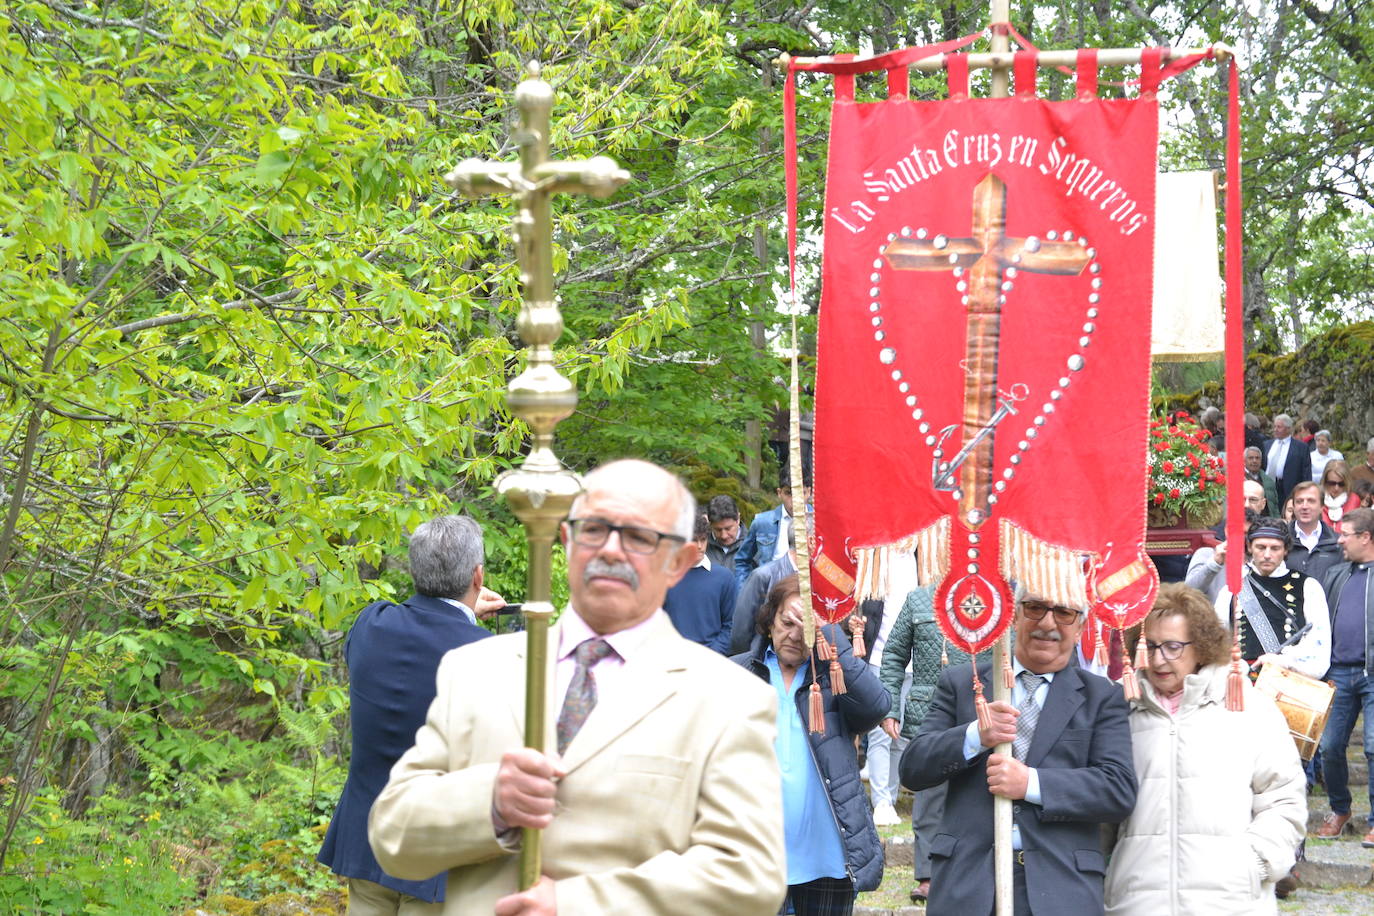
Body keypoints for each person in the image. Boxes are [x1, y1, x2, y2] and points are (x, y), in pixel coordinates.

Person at [368, 459, 787, 915]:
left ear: (681, 562)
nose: (610, 550)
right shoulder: (475, 669)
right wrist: (489, 802)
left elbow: (749, 876)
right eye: (593, 529)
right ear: (566, 541)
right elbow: (393, 835)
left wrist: (575, 905)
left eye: (639, 537)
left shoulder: (729, 698)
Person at [899, 589, 1137, 915]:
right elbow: (913, 768)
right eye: (1035, 608)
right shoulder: (963, 684)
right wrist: (974, 736)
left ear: (1081, 627)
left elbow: (1117, 790)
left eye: (1064, 613)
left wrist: (1031, 784)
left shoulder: (1102, 698)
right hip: (967, 887)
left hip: (1060, 889)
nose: (1047, 623)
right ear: (1014, 615)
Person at [317, 515, 505, 915]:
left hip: (367, 839)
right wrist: (468, 618)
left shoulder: (372, 624)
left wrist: (464, 612)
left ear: (416, 569)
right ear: (478, 576)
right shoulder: (487, 656)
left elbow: (419, 635)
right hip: (436, 856)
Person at [1103, 584, 1306, 915]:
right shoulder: (1121, 712)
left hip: (1229, 902)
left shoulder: (1248, 708)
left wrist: (1255, 864)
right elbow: (1102, 812)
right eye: (1150, 646)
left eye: (1172, 647)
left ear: (1202, 645)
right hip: (1138, 903)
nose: (1158, 659)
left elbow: (1284, 799)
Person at [734, 576, 889, 914]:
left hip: (825, 858)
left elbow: (877, 705)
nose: (793, 634)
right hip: (753, 856)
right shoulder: (738, 673)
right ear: (769, 620)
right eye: (786, 622)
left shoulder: (836, 679)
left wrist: (830, 635)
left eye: (804, 626)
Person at [878, 581, 985, 906]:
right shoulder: (919, 599)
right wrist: (891, 706)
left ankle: (975, 870)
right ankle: (927, 875)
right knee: (928, 801)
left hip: (982, 708)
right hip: (929, 709)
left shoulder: (996, 598)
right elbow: (894, 654)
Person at [1314, 508, 1374, 847]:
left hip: (1373, 674)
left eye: (1345, 534)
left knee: (1373, 748)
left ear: (1365, 537)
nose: (1339, 540)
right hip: (1338, 673)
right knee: (1330, 747)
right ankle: (1340, 809)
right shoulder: (1336, 574)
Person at [1211, 517, 1330, 679]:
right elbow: (1217, 641)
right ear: (1250, 547)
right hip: (1244, 683)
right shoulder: (1231, 590)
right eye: (1261, 547)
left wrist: (1286, 661)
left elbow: (1319, 644)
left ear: (1286, 550)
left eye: (1275, 548)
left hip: (1289, 683)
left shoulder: (1308, 586)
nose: (1267, 555)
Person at [662, 512, 737, 652]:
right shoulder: (664, 577)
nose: (700, 546)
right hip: (670, 657)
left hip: (712, 660)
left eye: (703, 539)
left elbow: (731, 625)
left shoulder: (724, 577)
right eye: (694, 540)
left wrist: (712, 654)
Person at [1183, 481, 1265, 602]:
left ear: (1263, 504)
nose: (1246, 505)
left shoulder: (1268, 551)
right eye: (1242, 499)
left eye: (1253, 500)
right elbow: (1187, 592)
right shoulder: (1208, 550)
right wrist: (1214, 564)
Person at [734, 472, 811, 589]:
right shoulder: (762, 522)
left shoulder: (820, 523)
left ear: (809, 492)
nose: (795, 500)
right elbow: (742, 560)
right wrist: (744, 591)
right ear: (779, 493)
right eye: (788, 493)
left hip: (810, 593)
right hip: (770, 594)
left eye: (801, 492)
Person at [1286, 481, 1342, 582]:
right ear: (1293, 507)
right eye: (1299, 501)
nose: (1304, 506)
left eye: (1311, 501)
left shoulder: (1338, 543)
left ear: (1322, 507)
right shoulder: (1280, 539)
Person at [1264, 414, 1312, 508]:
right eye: (1274, 426)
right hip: (1267, 487)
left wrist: (1305, 490)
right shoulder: (1267, 444)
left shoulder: (1300, 447)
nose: (1275, 429)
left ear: (1288, 429)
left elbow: (1306, 472)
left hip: (1288, 489)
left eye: (1279, 427)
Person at [705, 494, 743, 570]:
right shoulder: (701, 545)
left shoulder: (754, 545)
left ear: (738, 519)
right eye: (718, 530)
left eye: (728, 528)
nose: (724, 536)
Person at [1319, 459, 1360, 527]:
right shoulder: (1317, 498)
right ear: (1325, 481)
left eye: (1341, 484)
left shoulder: (1354, 499)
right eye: (1332, 483)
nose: (1336, 488)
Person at [1244, 445, 1282, 515]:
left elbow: (1274, 506)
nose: (1254, 461)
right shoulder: (1237, 479)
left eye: (1257, 458)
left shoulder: (1268, 481)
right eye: (1251, 458)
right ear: (1244, 460)